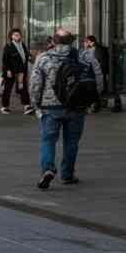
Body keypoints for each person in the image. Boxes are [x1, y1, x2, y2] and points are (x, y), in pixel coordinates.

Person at [30, 28, 103, 189]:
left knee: (48, 140)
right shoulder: (85, 56)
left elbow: (35, 84)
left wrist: (35, 105)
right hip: (76, 107)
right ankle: (67, 174)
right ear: (72, 41)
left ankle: (48, 169)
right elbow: (98, 80)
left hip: (50, 107)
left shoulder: (44, 58)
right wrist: (92, 101)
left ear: (54, 41)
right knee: (71, 142)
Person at [0, 28, 34, 115]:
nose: (18, 36)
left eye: (19, 35)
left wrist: (29, 57)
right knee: (8, 88)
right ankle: (5, 106)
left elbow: (26, 55)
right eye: (15, 35)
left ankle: (27, 106)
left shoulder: (22, 45)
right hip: (11, 71)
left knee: (23, 87)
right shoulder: (8, 46)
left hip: (21, 71)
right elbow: (5, 60)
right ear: (11, 37)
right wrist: (7, 70)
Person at [85, 35, 121, 113]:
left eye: (86, 41)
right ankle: (99, 104)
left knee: (105, 89)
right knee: (103, 89)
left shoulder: (98, 49)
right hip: (100, 73)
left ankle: (101, 104)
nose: (85, 43)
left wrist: (102, 73)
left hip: (101, 73)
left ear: (91, 42)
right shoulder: (93, 49)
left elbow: (101, 62)